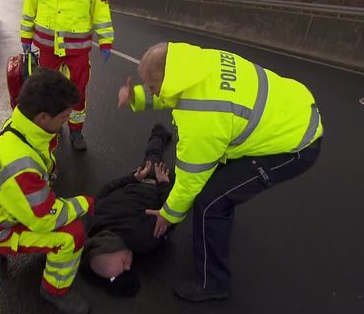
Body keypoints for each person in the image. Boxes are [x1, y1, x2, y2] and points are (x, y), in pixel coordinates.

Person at [118, 42, 324, 302]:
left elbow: (191, 178)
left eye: (151, 85)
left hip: (294, 146)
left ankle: (212, 282)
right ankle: (217, 228)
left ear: (170, 78)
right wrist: (136, 97)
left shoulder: (202, 117)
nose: (150, 90)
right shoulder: (197, 63)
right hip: (290, 109)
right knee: (218, 188)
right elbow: (169, 91)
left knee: (210, 201)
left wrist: (168, 214)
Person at [0, 69, 95, 314]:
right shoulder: (23, 165)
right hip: (0, 226)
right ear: (43, 117)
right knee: (72, 234)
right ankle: (55, 290)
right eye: (64, 117)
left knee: (59, 209)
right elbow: (45, 219)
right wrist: (86, 203)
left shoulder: (18, 126)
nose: (67, 122)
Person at [20, 0, 115, 151]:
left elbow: (101, 11)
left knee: (77, 92)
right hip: (47, 48)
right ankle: (49, 130)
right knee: (46, 92)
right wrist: (25, 36)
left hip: (77, 51)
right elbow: (29, 6)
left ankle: (75, 131)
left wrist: (105, 41)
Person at [82, 123, 172, 296]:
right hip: (142, 180)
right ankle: (158, 132)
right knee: (152, 157)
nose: (130, 265)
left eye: (124, 265)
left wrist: (164, 185)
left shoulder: (144, 240)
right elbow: (106, 189)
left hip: (159, 186)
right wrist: (133, 177)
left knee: (194, 178)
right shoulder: (93, 222)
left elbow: (172, 216)